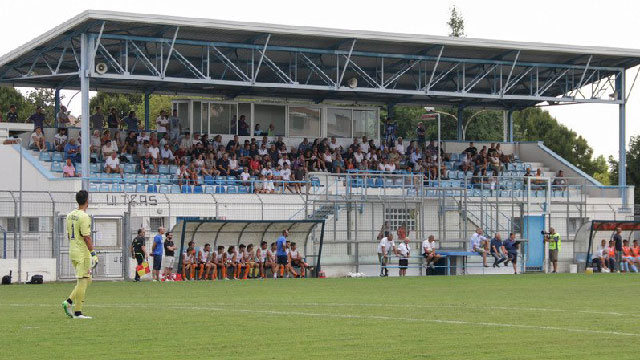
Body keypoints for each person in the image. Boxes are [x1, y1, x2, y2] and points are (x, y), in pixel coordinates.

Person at [61, 190, 98, 319]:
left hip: (73, 251)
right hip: (82, 253)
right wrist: (93, 253)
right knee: (83, 280)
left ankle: (69, 302)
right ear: (87, 201)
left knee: (87, 279)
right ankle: (77, 311)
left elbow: (67, 234)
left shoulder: (70, 215)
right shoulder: (84, 216)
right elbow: (86, 237)